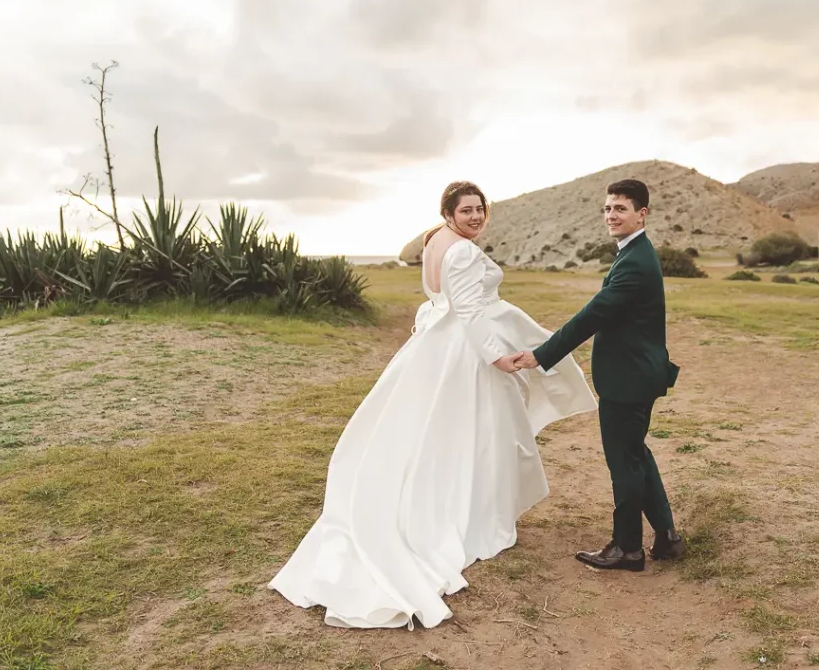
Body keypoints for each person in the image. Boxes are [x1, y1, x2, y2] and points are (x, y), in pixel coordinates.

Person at [267, 181, 597, 629]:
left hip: (442, 347)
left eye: (480, 209)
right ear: (448, 212)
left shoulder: (436, 242)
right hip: (467, 353)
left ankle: (464, 504)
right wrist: (496, 356)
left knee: (448, 431)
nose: (476, 217)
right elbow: (467, 310)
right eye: (467, 211)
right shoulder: (460, 251)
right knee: (477, 433)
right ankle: (473, 516)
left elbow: (439, 304)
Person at [510, 178, 684, 572]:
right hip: (636, 375)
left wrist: (541, 355)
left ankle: (628, 548)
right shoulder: (633, 253)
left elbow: (592, 315)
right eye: (607, 208)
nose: (611, 215)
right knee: (636, 455)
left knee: (624, 463)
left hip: (629, 379)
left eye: (620, 208)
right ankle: (667, 537)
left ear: (642, 213)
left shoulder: (636, 262)